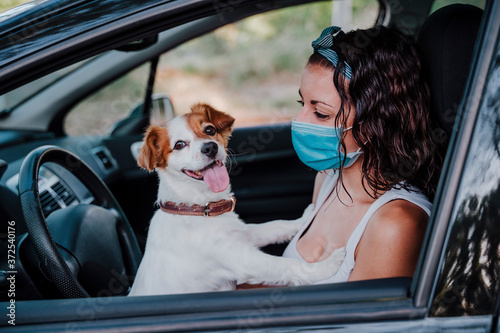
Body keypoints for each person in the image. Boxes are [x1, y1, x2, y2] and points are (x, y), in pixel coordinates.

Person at [279, 25, 442, 283]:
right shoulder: (328, 177)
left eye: (321, 113)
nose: (299, 121)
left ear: (375, 123)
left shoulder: (395, 225)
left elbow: (344, 323)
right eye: (302, 104)